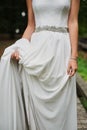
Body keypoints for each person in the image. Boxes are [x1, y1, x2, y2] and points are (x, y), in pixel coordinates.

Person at [0, 0, 80, 130]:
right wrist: (20, 47)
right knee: (36, 101)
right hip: (37, 50)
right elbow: (31, 25)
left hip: (61, 50)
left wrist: (73, 57)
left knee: (61, 102)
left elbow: (73, 22)